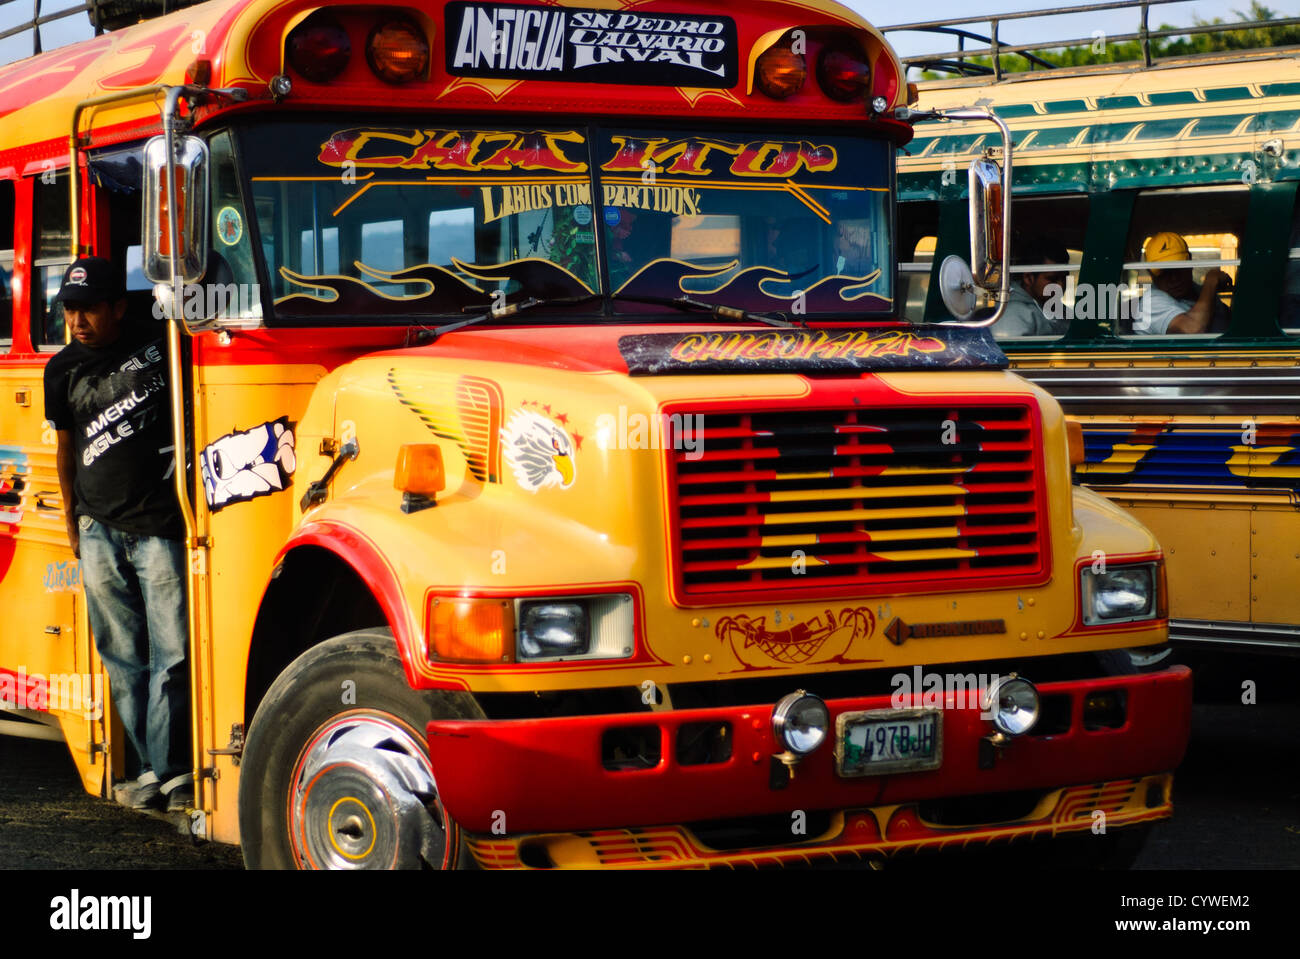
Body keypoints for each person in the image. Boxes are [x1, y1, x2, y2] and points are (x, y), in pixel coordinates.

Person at [43, 256, 193, 812]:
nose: (78, 321)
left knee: (174, 654)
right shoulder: (60, 370)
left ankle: (176, 774)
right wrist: (72, 522)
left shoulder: (160, 346)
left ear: (118, 308)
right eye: (71, 310)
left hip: (160, 526)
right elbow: (64, 448)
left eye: (88, 310)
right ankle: (152, 768)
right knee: (123, 658)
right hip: (97, 529)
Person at [1133, 231, 1230, 335]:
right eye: (1164, 273)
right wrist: (1211, 281)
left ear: (1190, 262)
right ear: (1151, 274)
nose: (1174, 278)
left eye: (1179, 268)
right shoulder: (1151, 302)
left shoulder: (1199, 292)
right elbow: (1192, 331)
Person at [994, 234, 1070, 338]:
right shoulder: (1012, 314)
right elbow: (1012, 352)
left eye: (1064, 278)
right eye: (1052, 279)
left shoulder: (1058, 309)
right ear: (1028, 278)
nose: (1060, 286)